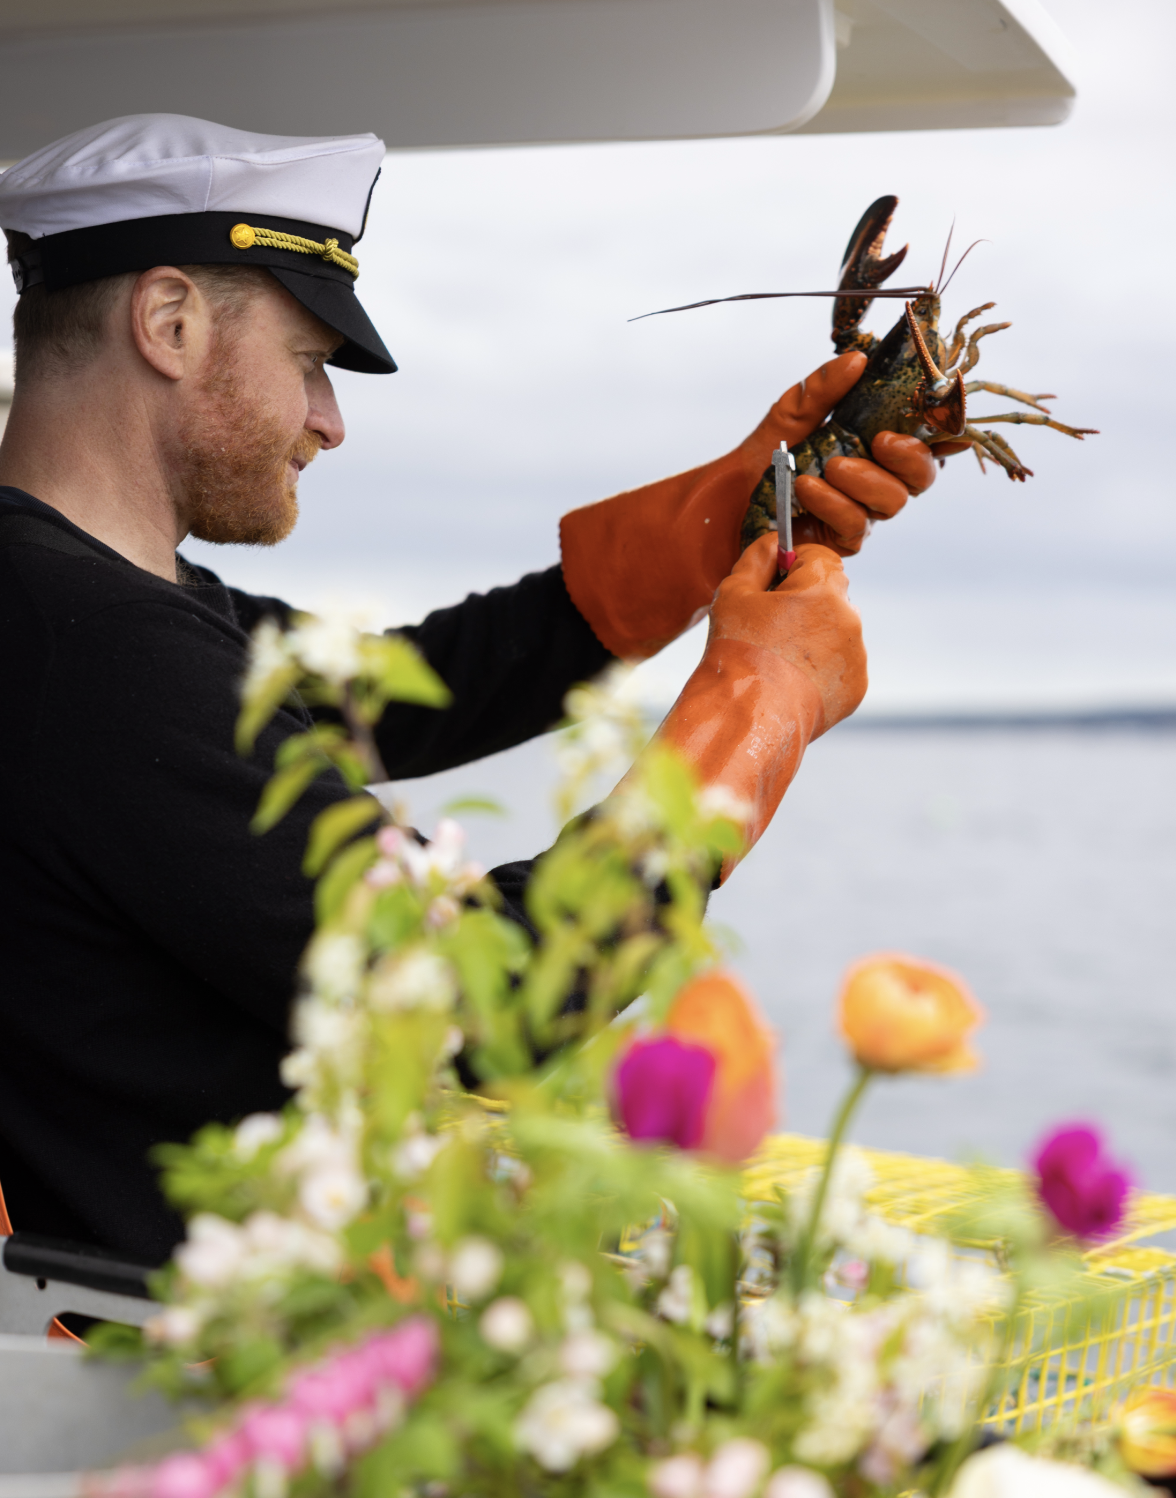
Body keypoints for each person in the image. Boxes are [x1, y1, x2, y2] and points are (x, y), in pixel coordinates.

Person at [0, 115, 939, 1263]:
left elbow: (416, 690)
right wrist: (756, 709)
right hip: (150, 1376)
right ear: (170, 323)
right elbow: (470, 996)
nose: (330, 423)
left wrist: (729, 512)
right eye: (308, 365)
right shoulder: (92, 645)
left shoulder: (93, 606)